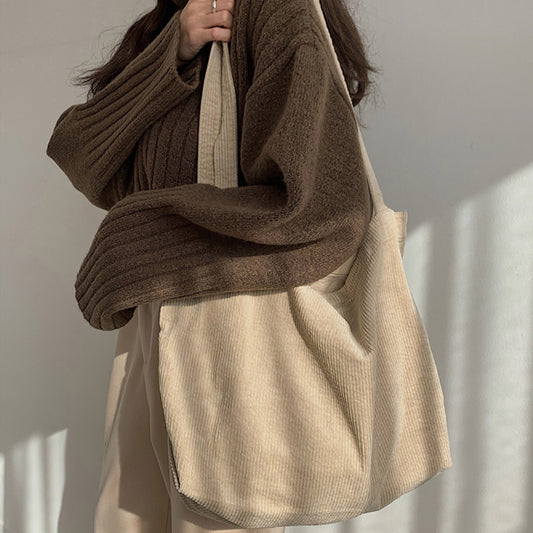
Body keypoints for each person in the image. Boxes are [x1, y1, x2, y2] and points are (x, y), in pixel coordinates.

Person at [46, 0, 378, 530]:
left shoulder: (278, 14)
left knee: (212, 515)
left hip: (232, 323)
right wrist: (169, 55)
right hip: (152, 323)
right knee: (128, 515)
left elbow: (323, 212)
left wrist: (147, 237)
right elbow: (77, 153)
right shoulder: (168, 26)